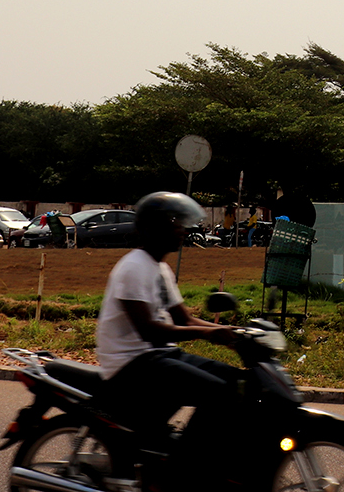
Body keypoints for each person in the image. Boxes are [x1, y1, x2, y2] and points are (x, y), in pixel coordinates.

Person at [97, 192, 239, 487]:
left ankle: (190, 454)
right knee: (217, 392)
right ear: (155, 228)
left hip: (158, 356)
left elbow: (183, 319)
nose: (183, 231)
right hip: (132, 363)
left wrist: (236, 336)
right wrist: (209, 333)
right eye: (176, 224)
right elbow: (149, 331)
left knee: (237, 383)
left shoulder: (160, 268)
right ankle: (181, 470)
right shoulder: (133, 267)